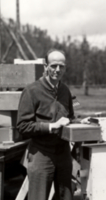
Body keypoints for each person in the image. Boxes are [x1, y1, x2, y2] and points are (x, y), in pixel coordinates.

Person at [17, 49, 74, 200]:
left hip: (63, 153)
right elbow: (22, 126)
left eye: (61, 66)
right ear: (45, 67)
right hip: (41, 153)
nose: (58, 70)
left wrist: (79, 124)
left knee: (66, 196)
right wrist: (51, 126)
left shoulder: (65, 91)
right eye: (54, 65)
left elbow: (70, 118)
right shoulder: (31, 91)